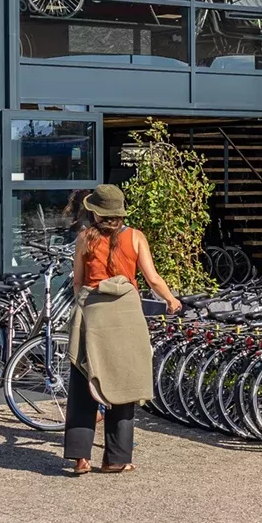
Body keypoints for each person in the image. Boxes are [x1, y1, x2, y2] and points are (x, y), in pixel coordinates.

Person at [64, 184, 180, 476]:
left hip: (93, 312)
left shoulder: (83, 239)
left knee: (83, 384)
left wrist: (85, 305)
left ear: (94, 210)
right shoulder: (136, 237)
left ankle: (80, 458)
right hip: (126, 314)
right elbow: (152, 278)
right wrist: (170, 299)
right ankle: (116, 458)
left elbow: (78, 281)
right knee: (123, 382)